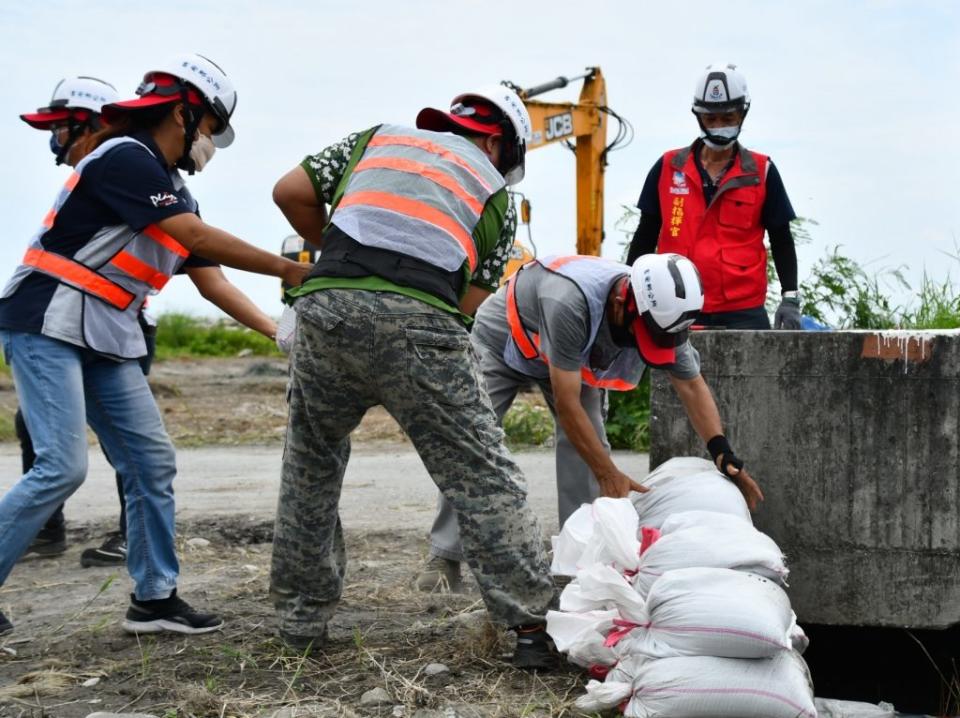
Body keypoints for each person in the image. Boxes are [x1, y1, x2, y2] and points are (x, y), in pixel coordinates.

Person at [0, 54, 308, 638]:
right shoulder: (124, 157)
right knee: (62, 467)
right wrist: (285, 269)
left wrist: (277, 331)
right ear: (184, 114)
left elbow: (210, 277)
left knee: (149, 463)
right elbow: (193, 237)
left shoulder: (171, 190)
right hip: (47, 318)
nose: (211, 144)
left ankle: (155, 599)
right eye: (213, 129)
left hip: (106, 333)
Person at [270, 85, 558, 668]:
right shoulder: (495, 194)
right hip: (422, 323)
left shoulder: (377, 140)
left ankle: (301, 622)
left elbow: (289, 191)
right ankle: (529, 628)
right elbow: (471, 299)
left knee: (312, 463)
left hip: (324, 311)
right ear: (500, 143)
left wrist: (338, 256)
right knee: (481, 474)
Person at [417, 252, 765, 589]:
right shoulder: (571, 302)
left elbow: (690, 384)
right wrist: (607, 472)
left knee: (590, 445)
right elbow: (569, 404)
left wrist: (722, 452)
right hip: (506, 336)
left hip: (570, 354)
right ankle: (445, 556)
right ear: (622, 303)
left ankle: (577, 552)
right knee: (473, 439)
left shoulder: (664, 313)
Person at [626, 62, 800, 330]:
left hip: (743, 311)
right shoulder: (668, 167)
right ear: (698, 116)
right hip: (677, 307)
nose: (719, 126)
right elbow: (645, 235)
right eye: (711, 118)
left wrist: (790, 297)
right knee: (678, 373)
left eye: (728, 118)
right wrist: (629, 287)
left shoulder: (761, 172)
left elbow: (782, 238)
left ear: (742, 114)